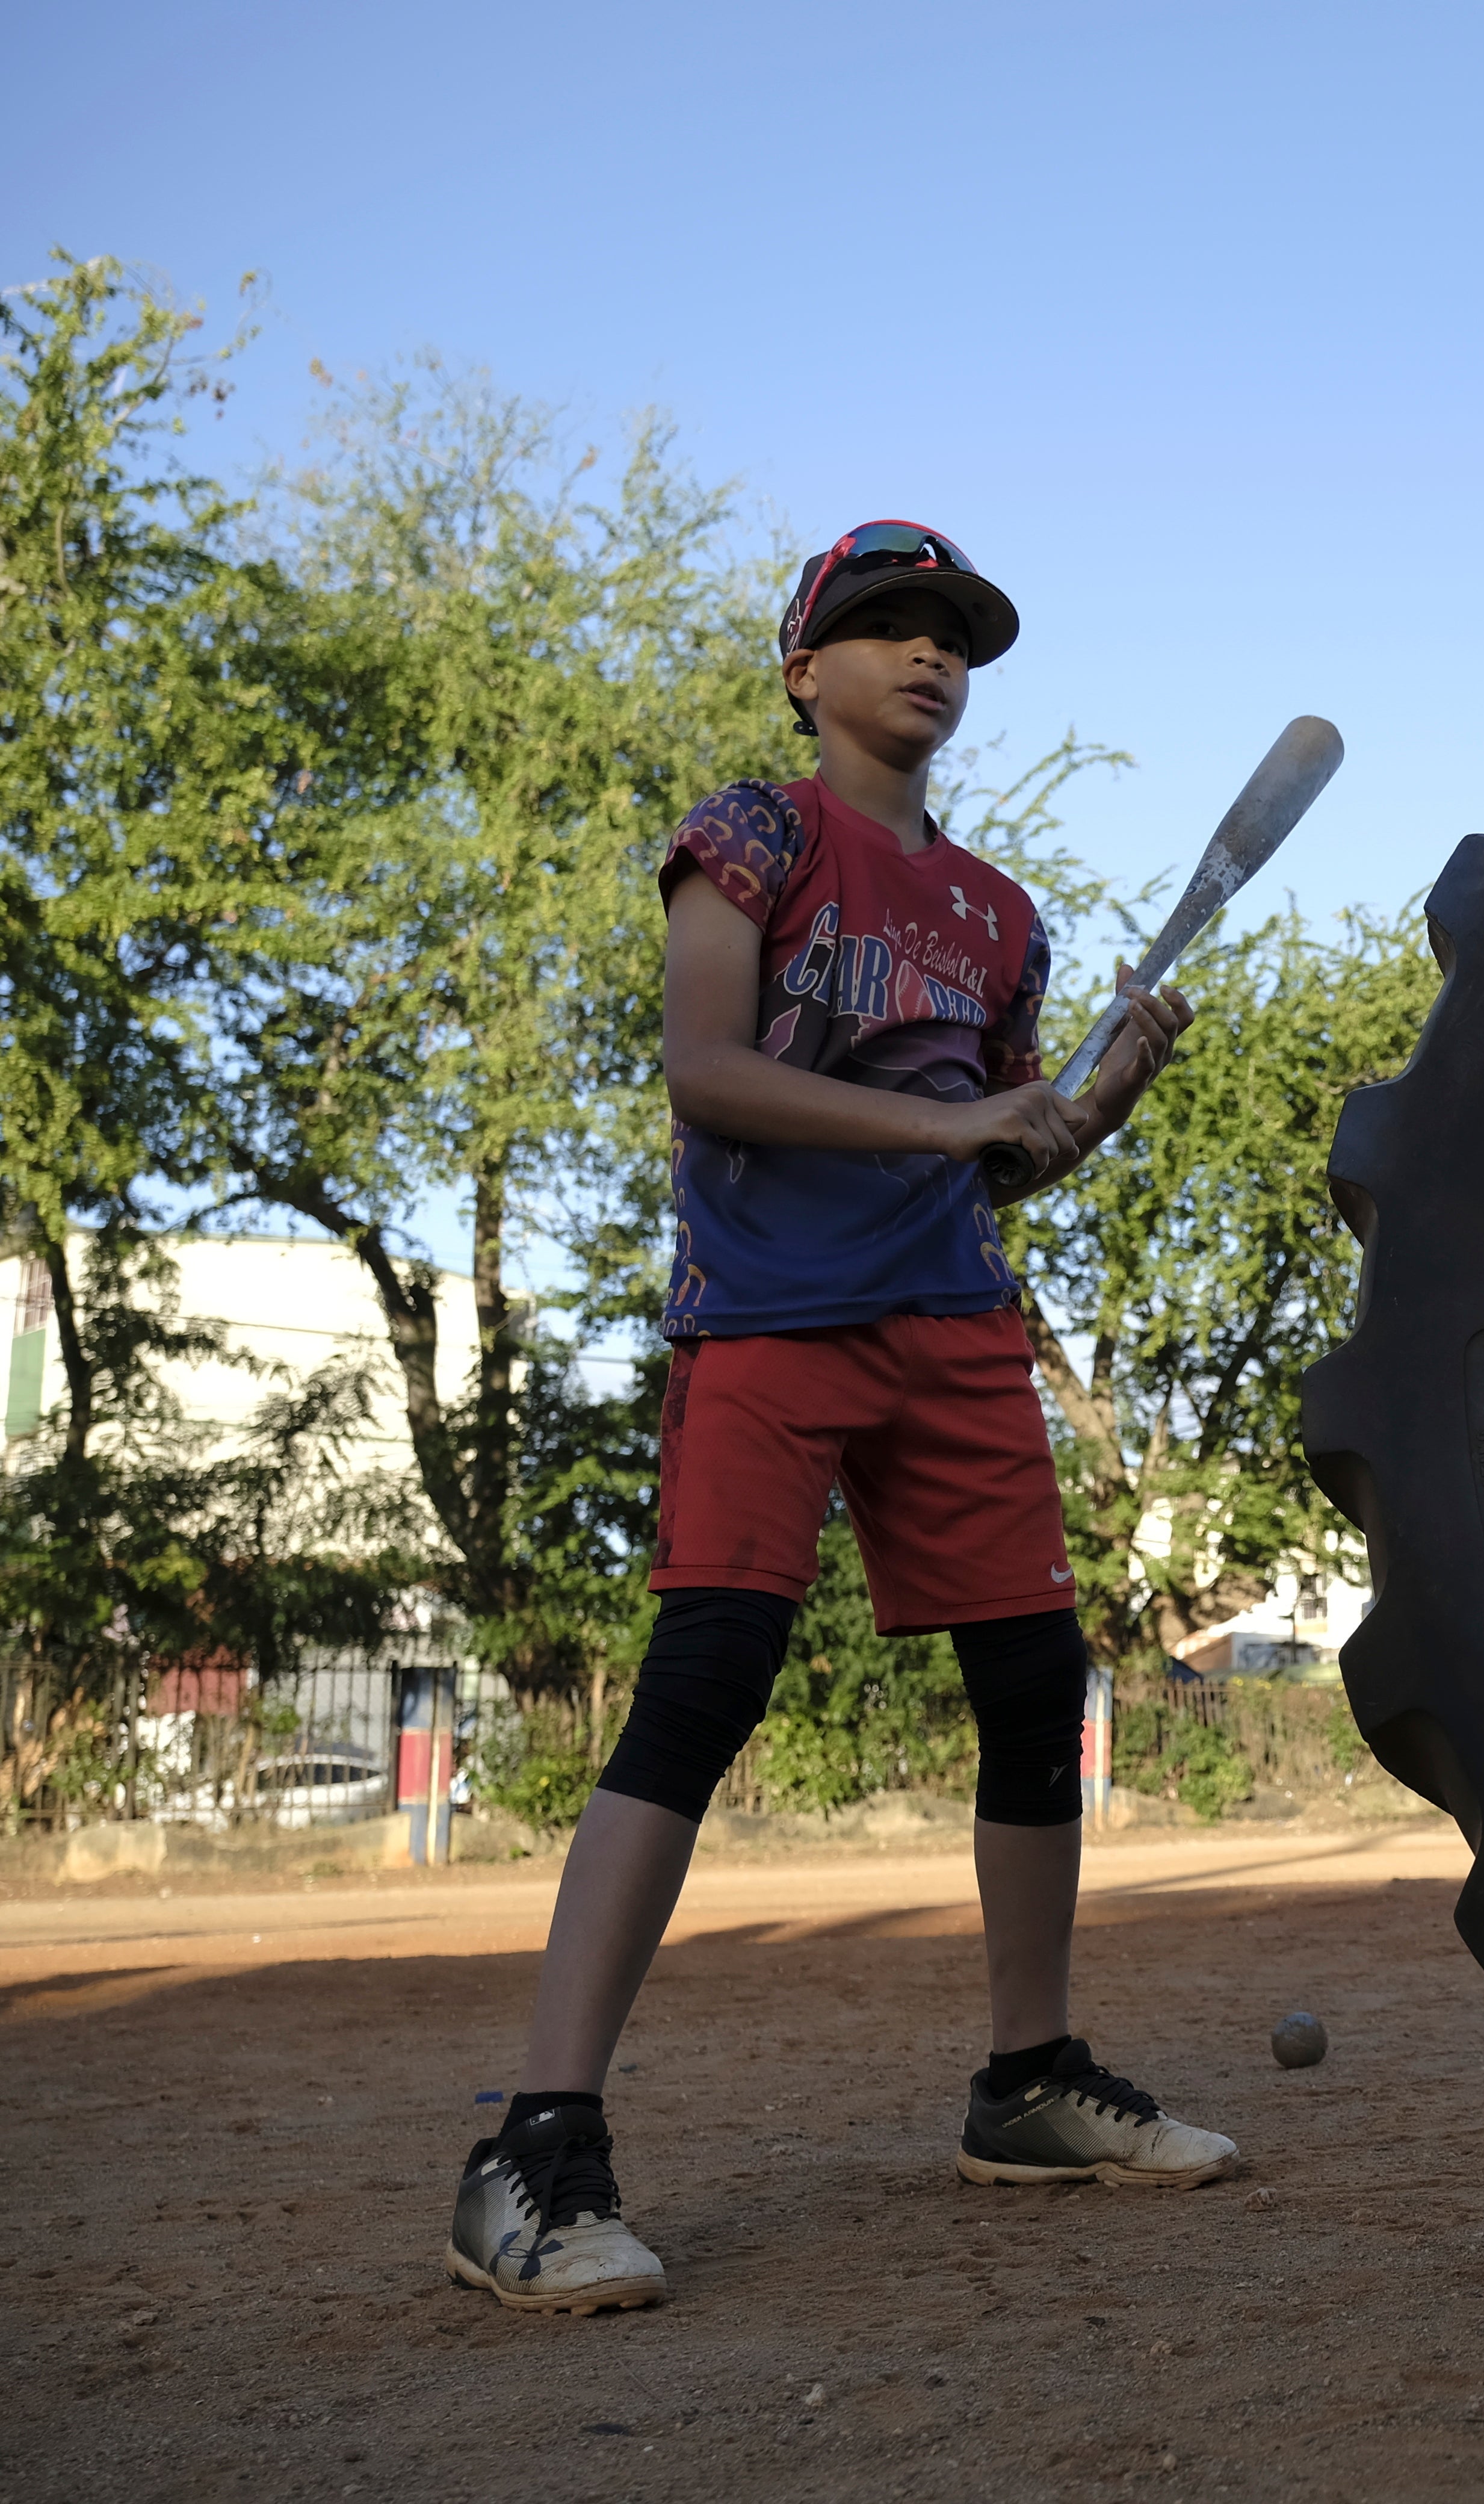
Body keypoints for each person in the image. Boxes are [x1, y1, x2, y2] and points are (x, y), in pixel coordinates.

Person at [447, 521, 1232, 2317]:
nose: (928, 654)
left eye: (953, 634)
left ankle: (1027, 2083)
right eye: (885, 627)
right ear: (806, 673)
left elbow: (993, 1153)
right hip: (771, 1318)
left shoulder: (1000, 916)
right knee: (706, 1681)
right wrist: (965, 1123)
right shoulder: (756, 835)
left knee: (1033, 1686)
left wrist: (1084, 1108)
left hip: (950, 1320)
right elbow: (708, 1072)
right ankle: (535, 2149)